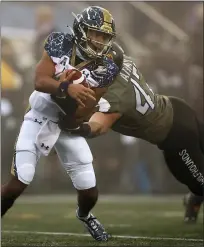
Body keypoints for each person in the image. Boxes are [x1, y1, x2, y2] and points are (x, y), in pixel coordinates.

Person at [1, 6, 119, 242]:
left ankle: (85, 215)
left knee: (89, 188)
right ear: (81, 30)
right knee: (21, 178)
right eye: (95, 34)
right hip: (39, 115)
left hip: (65, 124)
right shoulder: (60, 42)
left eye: (104, 36)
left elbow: (77, 116)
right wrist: (65, 87)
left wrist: (78, 107)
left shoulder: (107, 68)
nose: (99, 41)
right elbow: (39, 81)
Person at [63, 48, 204, 198]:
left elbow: (99, 126)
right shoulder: (125, 62)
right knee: (196, 179)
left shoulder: (115, 96)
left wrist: (78, 128)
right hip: (177, 108)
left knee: (198, 183)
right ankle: (195, 199)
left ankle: (195, 198)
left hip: (176, 134)